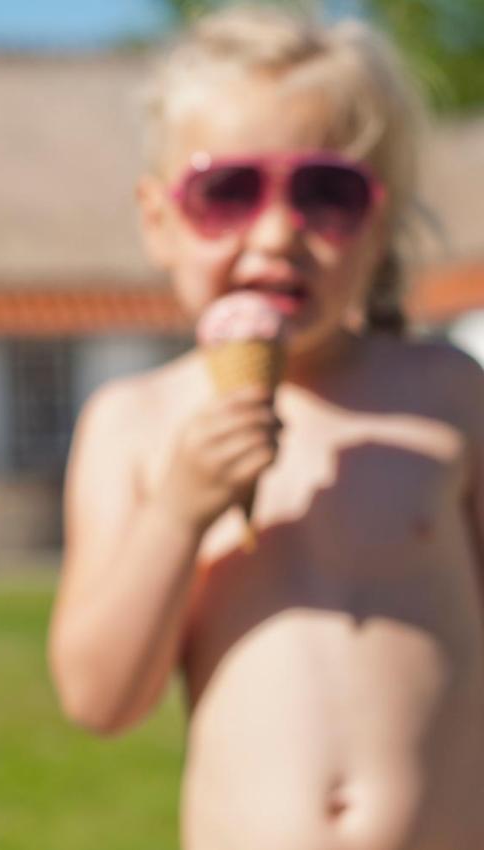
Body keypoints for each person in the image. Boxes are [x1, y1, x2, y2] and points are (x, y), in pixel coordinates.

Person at [48, 6, 484, 849]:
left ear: (380, 226)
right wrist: (177, 514)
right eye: (228, 193)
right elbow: (99, 700)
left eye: (328, 194)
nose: (279, 233)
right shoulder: (132, 424)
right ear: (159, 221)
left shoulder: (447, 393)